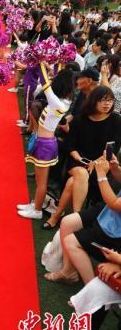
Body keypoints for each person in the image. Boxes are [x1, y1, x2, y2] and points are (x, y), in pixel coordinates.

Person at [44, 86, 120, 230]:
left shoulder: (116, 120)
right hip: (77, 161)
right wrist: (78, 157)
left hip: (101, 164)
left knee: (73, 181)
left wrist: (96, 163)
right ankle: (77, 218)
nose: (107, 104)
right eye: (103, 100)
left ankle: (57, 215)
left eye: (110, 101)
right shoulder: (81, 119)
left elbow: (113, 149)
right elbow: (70, 144)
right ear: (93, 101)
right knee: (80, 172)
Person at [45, 150, 121, 285]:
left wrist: (102, 175)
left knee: (70, 241)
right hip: (108, 212)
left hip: (115, 230)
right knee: (67, 222)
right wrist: (115, 168)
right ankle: (69, 272)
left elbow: (114, 204)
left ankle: (91, 291)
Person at [18, 67, 74, 220]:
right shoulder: (62, 101)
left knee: (41, 181)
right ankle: (35, 204)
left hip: (45, 144)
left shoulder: (58, 103)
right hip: (44, 141)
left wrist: (40, 61)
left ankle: (36, 210)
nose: (53, 80)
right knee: (38, 179)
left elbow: (45, 84)